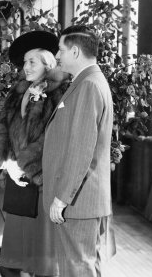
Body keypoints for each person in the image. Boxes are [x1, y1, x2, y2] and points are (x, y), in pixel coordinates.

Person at [0, 30, 70, 277]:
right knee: (11, 259)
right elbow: (0, 126)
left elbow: (56, 136)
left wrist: (24, 163)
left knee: (42, 259)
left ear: (47, 63)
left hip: (43, 181)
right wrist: (5, 163)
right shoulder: (17, 92)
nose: (25, 67)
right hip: (17, 181)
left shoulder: (61, 92)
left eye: (31, 61)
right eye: (24, 62)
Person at [42, 25, 114, 277]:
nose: (57, 56)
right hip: (80, 199)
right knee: (81, 265)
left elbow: (81, 148)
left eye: (60, 50)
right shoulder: (86, 81)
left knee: (77, 267)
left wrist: (62, 198)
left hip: (78, 201)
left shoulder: (88, 86)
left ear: (74, 52)